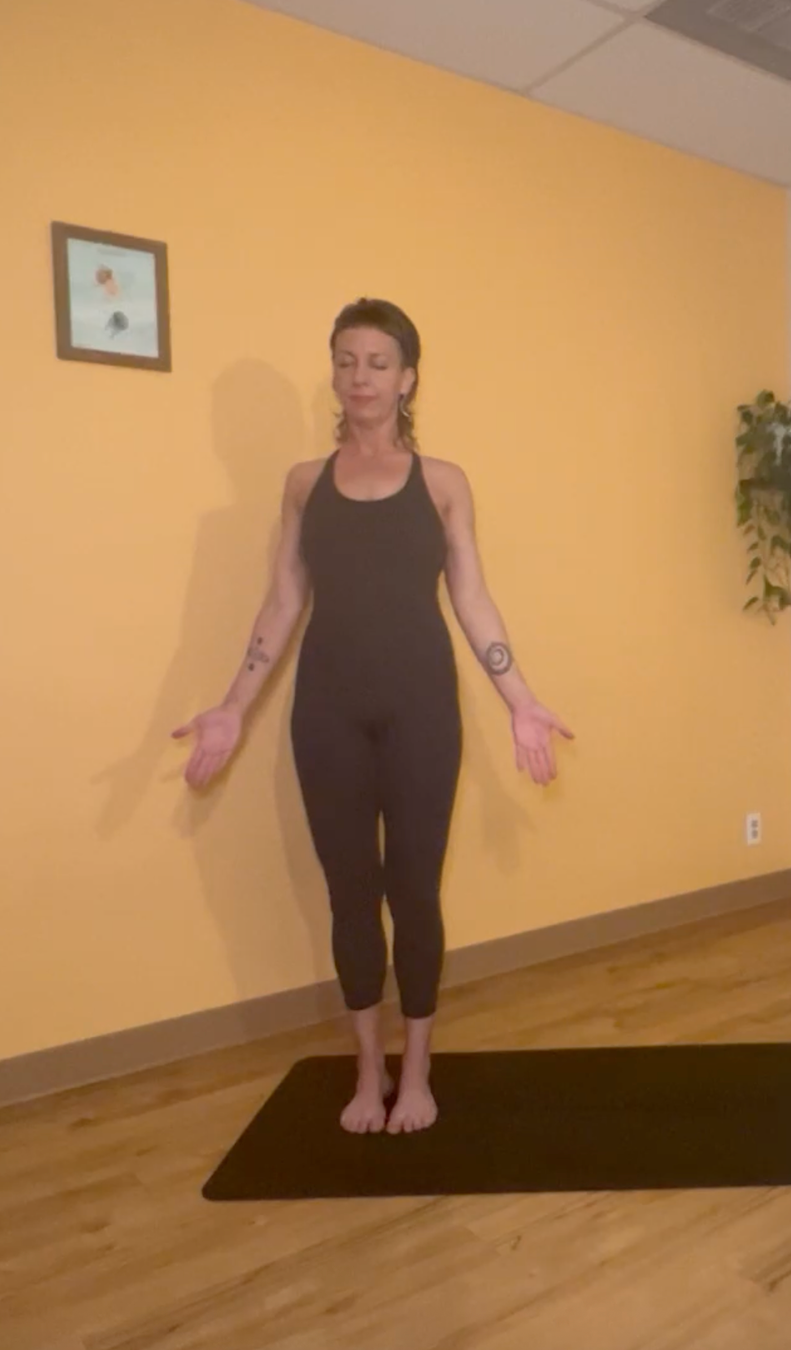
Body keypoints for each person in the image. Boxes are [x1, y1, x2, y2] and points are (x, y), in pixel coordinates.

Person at [171, 298, 572, 1135]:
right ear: (336, 374)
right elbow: (282, 603)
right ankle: (367, 1072)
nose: (360, 377)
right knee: (351, 896)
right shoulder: (303, 486)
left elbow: (473, 600)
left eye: (378, 362)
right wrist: (232, 706)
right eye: (346, 360)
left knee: (414, 893)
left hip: (423, 712)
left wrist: (521, 700)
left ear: (408, 378)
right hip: (327, 713)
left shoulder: (444, 484)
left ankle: (417, 1073)